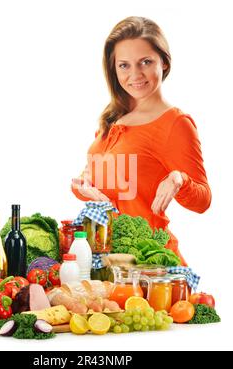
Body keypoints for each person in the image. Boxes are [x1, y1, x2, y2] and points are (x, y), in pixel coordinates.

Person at [71, 16, 211, 266]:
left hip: (151, 264)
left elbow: (203, 200)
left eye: (145, 62)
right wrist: (84, 182)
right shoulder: (114, 116)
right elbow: (116, 186)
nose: (135, 75)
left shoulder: (175, 124)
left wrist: (178, 179)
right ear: (113, 68)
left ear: (164, 63)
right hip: (107, 259)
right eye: (124, 65)